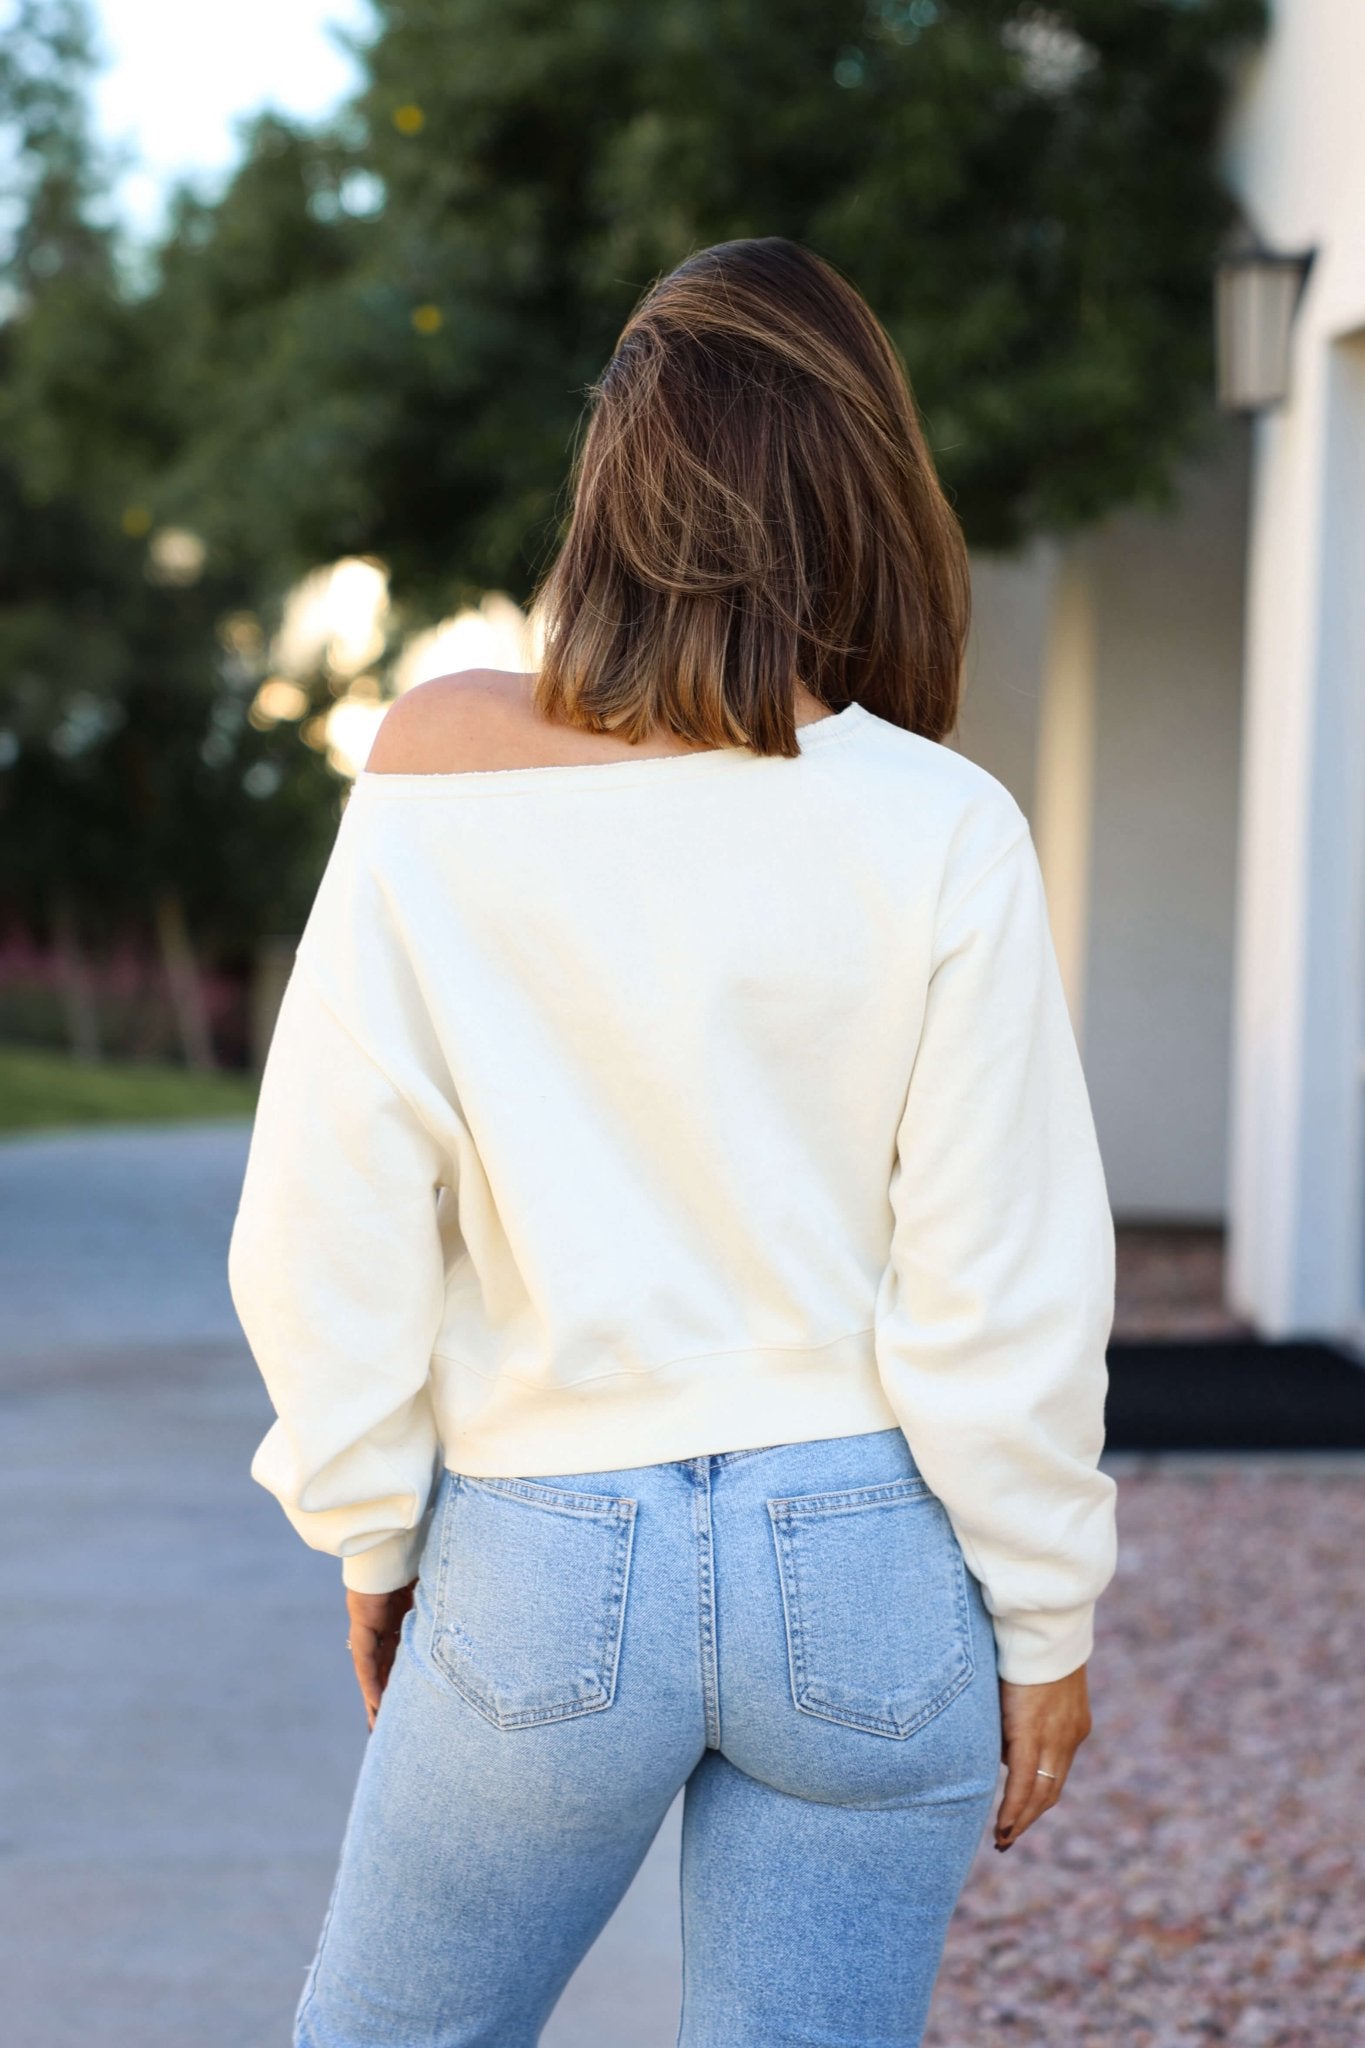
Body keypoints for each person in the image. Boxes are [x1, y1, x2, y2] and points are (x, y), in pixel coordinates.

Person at [228, 235, 1118, 2048]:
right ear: (863, 485)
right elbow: (999, 1275)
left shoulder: (434, 767)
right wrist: (1044, 1618)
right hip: (867, 1561)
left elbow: (328, 1209)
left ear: (612, 492)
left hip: (547, 1553)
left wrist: (369, 1520)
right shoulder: (944, 823)